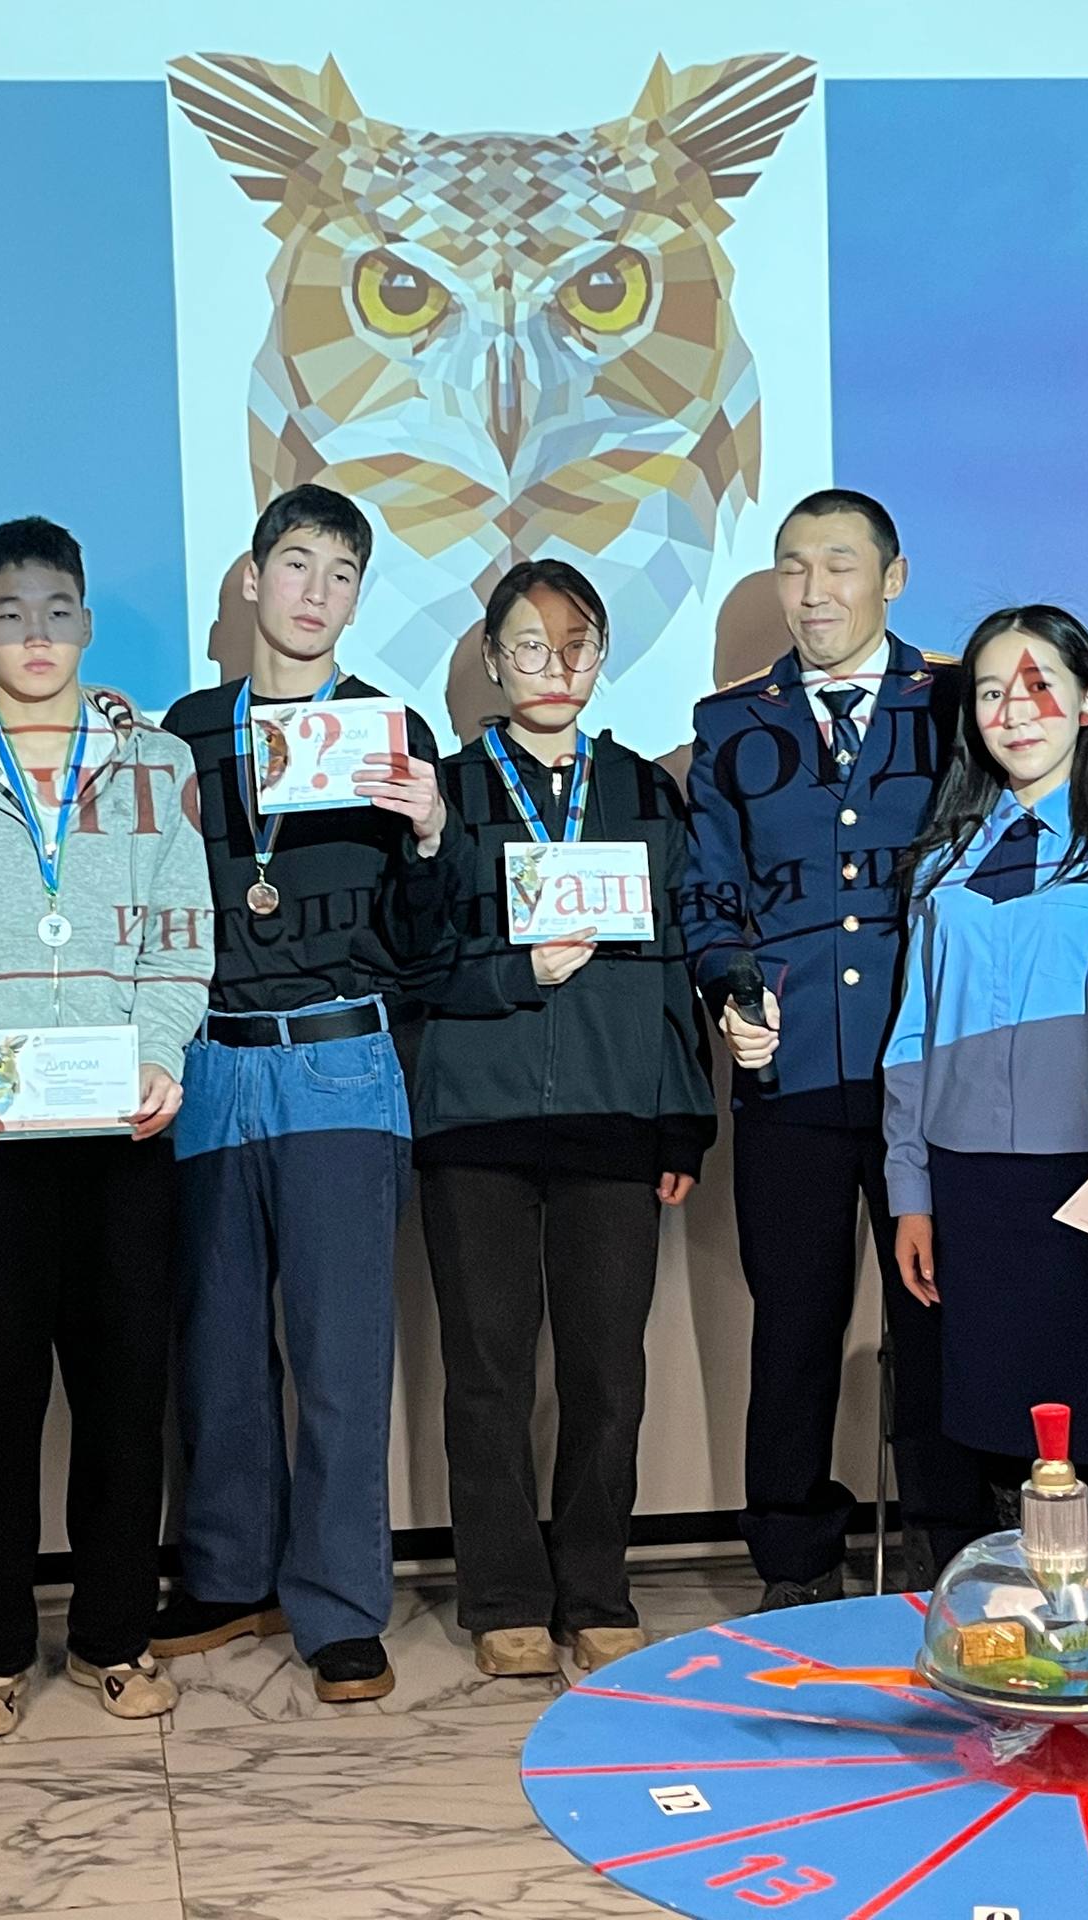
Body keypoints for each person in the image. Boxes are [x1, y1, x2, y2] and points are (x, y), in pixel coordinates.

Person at [0, 516, 212, 1729]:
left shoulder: (157, 761)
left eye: (57, 611)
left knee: (125, 1404)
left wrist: (162, 1053)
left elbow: (181, 934)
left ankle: (114, 1638)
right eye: (10, 614)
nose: (36, 636)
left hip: (122, 1139)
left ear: (87, 623)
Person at [154, 484, 452, 1703]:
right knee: (216, 1343)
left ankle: (337, 1604)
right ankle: (229, 1574)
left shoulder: (390, 730)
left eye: (341, 574)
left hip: (339, 1057)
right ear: (250, 578)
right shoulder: (186, 731)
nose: (314, 592)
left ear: (358, 598)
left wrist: (430, 834)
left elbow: (426, 944)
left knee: (339, 1353)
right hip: (210, 1058)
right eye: (295, 564)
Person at [681, 487, 987, 1604]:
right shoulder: (732, 725)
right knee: (795, 1327)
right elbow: (708, 890)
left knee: (940, 1321)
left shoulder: (955, 703)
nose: (813, 592)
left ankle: (955, 1548)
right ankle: (794, 1562)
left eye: (840, 565)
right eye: (793, 568)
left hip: (931, 1076)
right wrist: (729, 989)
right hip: (792, 1070)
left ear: (892, 579)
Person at [412, 561, 715, 1678]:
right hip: (475, 1118)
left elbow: (676, 959)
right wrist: (512, 971)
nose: (555, 667)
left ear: (602, 659)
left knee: (607, 1373)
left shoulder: (643, 791)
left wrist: (682, 1118)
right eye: (530, 647)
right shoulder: (442, 793)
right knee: (487, 1372)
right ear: (493, 660)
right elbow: (410, 956)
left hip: (614, 1115)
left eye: (576, 646)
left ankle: (595, 1585)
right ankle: (502, 1596)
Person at [882, 605, 1088, 1547]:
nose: (1013, 711)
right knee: (1000, 1435)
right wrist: (910, 1191)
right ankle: (1022, 1619)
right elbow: (912, 1033)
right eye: (989, 693)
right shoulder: (942, 857)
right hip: (971, 1185)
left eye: (1039, 685)